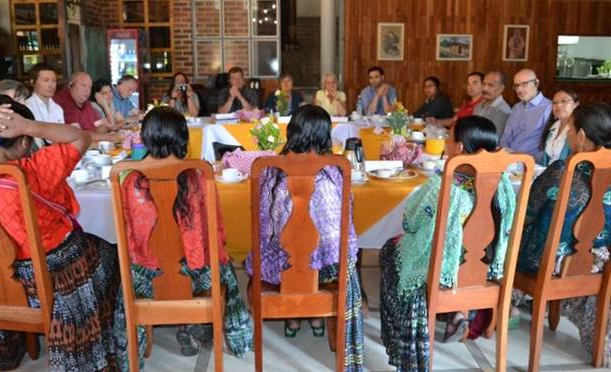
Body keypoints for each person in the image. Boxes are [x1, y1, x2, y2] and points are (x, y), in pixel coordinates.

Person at [113, 107, 252, 370]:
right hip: (196, 273)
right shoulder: (198, 177)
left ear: (146, 138)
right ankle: (234, 338)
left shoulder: (129, 179)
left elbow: (130, 236)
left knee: (127, 271)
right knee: (225, 271)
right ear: (184, 139)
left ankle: (130, 353)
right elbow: (215, 230)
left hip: (146, 275)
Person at [0, 95, 119, 371]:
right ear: (24, 140)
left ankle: (6, 350)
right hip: (52, 277)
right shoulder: (35, 169)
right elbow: (81, 138)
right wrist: (28, 125)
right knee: (112, 256)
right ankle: (100, 344)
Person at [379, 115, 516, 371]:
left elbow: (410, 222)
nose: (445, 140)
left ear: (460, 147)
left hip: (442, 272)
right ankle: (457, 314)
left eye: (449, 135)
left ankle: (405, 339)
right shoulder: (505, 185)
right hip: (484, 271)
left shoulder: (444, 185)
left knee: (390, 251)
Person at [243, 104, 363, 370]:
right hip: (326, 267)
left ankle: (293, 317)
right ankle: (316, 316)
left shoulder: (270, 168)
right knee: (344, 254)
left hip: (281, 266)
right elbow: (343, 226)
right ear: (323, 137)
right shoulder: (335, 170)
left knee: (283, 247)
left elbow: (262, 220)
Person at [515, 103, 611, 366]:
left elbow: (527, 214)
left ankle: (495, 309)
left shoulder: (561, 171)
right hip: (598, 262)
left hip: (551, 264)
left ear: (580, 136)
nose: (566, 134)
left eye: (569, 129)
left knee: (507, 235)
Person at [499, 69, 552, 162]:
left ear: (536, 83)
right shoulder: (516, 108)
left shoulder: (548, 108)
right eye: (516, 85)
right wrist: (501, 154)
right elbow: (506, 135)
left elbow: (547, 143)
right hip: (508, 159)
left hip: (532, 162)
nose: (519, 89)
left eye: (524, 84)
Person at [54, 71, 119, 141]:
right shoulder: (64, 100)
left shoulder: (86, 103)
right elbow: (78, 134)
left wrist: (105, 105)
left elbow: (106, 126)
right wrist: (109, 136)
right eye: (83, 85)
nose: (87, 90)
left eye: (89, 87)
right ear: (71, 85)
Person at [539, 90, 579, 166]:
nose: (558, 105)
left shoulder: (578, 129)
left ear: (576, 104)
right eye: (554, 102)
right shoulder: (553, 127)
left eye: (564, 101)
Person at [473, 71, 512, 137]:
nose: (485, 88)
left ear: (501, 88)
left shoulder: (503, 111)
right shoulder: (478, 106)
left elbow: (493, 139)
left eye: (490, 85)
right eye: (484, 84)